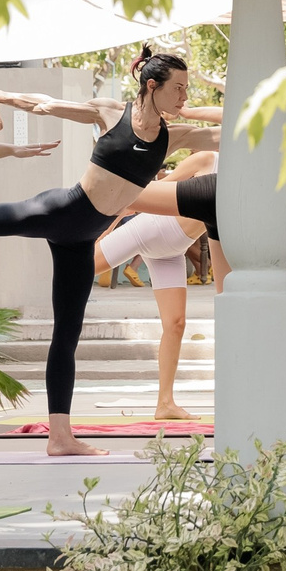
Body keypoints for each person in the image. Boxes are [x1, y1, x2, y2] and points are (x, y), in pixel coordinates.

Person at [0, 49, 217, 457]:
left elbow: (230, 132)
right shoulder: (111, 113)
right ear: (152, 85)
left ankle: (60, 437)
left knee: (67, 335)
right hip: (58, 212)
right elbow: (46, 105)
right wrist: (1, 96)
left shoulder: (175, 136)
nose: (185, 97)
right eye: (179, 89)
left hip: (81, 240)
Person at [94, 151, 219, 421]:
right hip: (150, 229)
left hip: (173, 250)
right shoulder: (207, 160)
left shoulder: (245, 180)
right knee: (80, 267)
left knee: (176, 324)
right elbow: (144, 195)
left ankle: (165, 403)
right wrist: (103, 232)